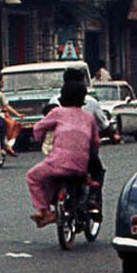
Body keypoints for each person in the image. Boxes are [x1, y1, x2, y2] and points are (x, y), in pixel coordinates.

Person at [25, 76, 102, 227]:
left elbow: (37, 128)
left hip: (57, 162)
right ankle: (90, 200)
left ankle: (44, 210)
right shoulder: (89, 117)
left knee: (33, 177)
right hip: (81, 165)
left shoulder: (58, 113)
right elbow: (95, 142)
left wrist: (39, 138)